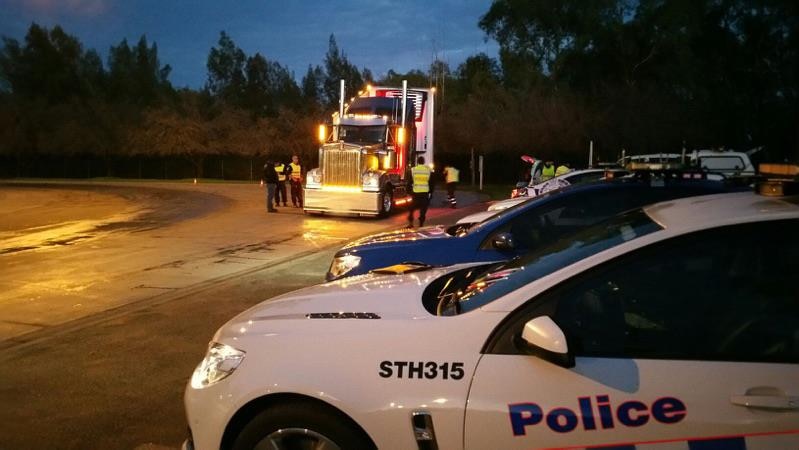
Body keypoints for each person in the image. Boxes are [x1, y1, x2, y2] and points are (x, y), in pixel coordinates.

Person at [406, 156, 433, 227]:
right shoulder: (428, 170)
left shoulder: (413, 170)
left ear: (417, 162)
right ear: (423, 162)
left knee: (412, 208)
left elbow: (409, 182)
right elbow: (431, 183)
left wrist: (408, 191)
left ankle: (410, 223)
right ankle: (421, 224)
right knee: (423, 209)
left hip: (416, 192)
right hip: (424, 193)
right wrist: (430, 192)